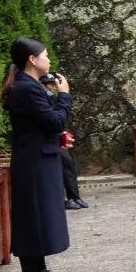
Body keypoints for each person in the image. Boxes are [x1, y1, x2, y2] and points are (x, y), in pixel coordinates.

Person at [0, 37, 78, 272]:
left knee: (39, 218)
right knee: (32, 220)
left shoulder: (30, 86)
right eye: (45, 55)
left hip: (38, 159)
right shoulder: (26, 88)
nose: (48, 59)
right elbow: (54, 121)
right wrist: (64, 96)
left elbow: (40, 125)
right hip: (33, 164)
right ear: (32, 60)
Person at [41, 74, 88, 210]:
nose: (53, 87)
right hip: (47, 140)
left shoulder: (53, 98)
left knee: (68, 165)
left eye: (53, 84)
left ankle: (74, 196)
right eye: (50, 84)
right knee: (55, 171)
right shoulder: (41, 98)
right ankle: (62, 200)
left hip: (56, 137)